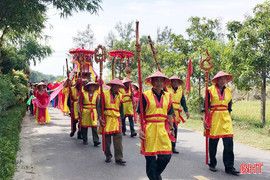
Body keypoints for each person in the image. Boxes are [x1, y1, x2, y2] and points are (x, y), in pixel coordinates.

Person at [137, 71, 175, 180]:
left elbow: (169, 114)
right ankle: (154, 176)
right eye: (156, 80)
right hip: (149, 128)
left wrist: (172, 128)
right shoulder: (144, 95)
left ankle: (155, 174)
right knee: (150, 158)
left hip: (163, 129)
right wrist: (140, 129)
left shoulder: (168, 96)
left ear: (164, 82)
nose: (159, 82)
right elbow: (139, 114)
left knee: (166, 156)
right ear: (152, 82)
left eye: (161, 80)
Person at [202, 71, 239, 176]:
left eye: (225, 78)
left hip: (226, 118)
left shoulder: (229, 91)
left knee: (229, 143)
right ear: (217, 80)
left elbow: (229, 107)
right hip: (214, 117)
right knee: (213, 142)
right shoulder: (209, 90)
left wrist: (229, 119)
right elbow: (205, 107)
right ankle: (212, 163)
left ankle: (229, 167)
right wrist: (204, 120)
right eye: (221, 78)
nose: (223, 80)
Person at [99, 79, 126, 165]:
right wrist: (100, 117)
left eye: (118, 86)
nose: (116, 87)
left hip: (116, 119)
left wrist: (122, 120)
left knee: (118, 140)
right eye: (114, 85)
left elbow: (121, 110)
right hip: (107, 118)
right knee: (107, 140)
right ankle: (108, 156)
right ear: (111, 86)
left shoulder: (121, 96)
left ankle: (119, 158)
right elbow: (100, 106)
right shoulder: (104, 94)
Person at [166, 76, 190, 154]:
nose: (175, 83)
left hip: (176, 113)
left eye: (176, 82)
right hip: (167, 112)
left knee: (175, 130)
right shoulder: (166, 89)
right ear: (171, 82)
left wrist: (186, 111)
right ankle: (167, 146)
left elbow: (183, 101)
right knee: (168, 129)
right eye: (173, 81)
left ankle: (173, 147)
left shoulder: (181, 91)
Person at [78, 81, 101, 146]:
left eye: (93, 86)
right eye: (90, 86)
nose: (91, 87)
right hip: (85, 112)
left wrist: (99, 114)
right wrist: (79, 111)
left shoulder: (97, 95)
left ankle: (96, 140)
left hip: (93, 111)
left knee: (94, 126)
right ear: (87, 87)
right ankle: (85, 139)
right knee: (84, 127)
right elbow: (79, 103)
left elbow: (98, 105)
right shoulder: (83, 94)